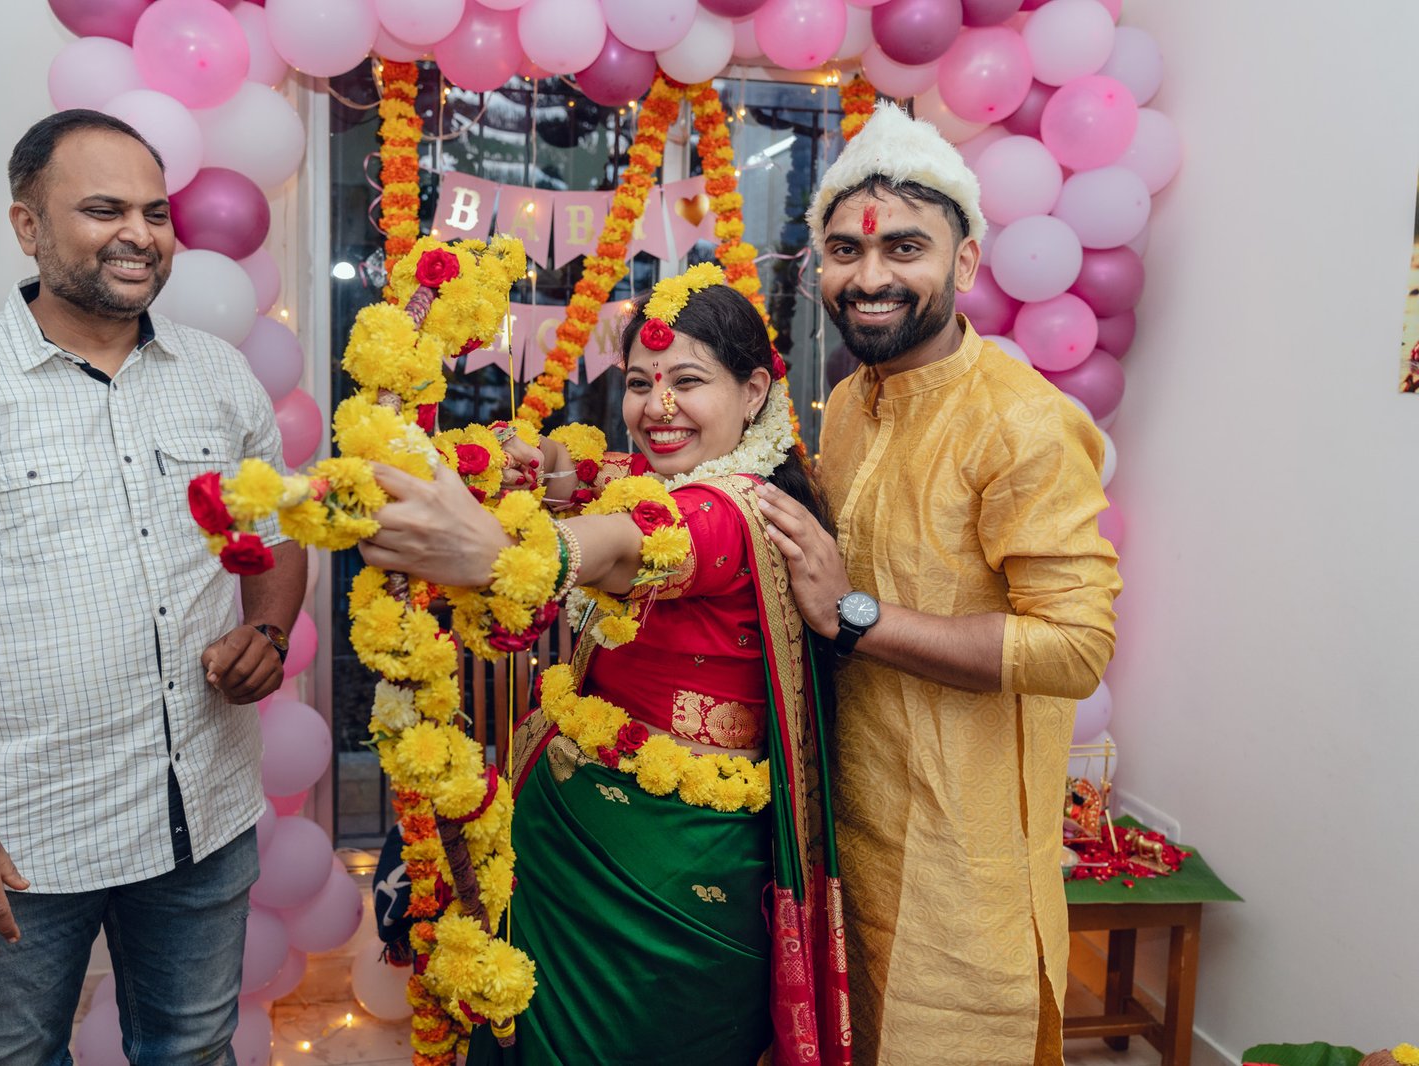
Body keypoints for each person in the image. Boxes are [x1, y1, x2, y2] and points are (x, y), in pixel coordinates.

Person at [0, 110, 305, 1063]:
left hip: (202, 816)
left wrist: (269, 632)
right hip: (15, 837)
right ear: (28, 226)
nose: (140, 234)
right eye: (103, 209)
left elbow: (277, 530)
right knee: (6, 1058)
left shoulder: (218, 373)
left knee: (194, 1049)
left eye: (155, 212)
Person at [358, 271, 851, 1065]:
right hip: (572, 827)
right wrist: (533, 460)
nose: (659, 407)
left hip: (668, 864)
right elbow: (585, 475)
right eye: (641, 383)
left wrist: (509, 555)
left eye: (688, 381)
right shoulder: (665, 477)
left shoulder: (728, 511)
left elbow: (630, 544)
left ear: (754, 391)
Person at [754, 103, 1122, 1065]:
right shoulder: (849, 400)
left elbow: (1076, 647)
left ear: (964, 264)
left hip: (962, 872)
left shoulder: (1022, 423)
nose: (870, 276)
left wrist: (853, 617)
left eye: (904, 248)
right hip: (848, 837)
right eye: (846, 251)